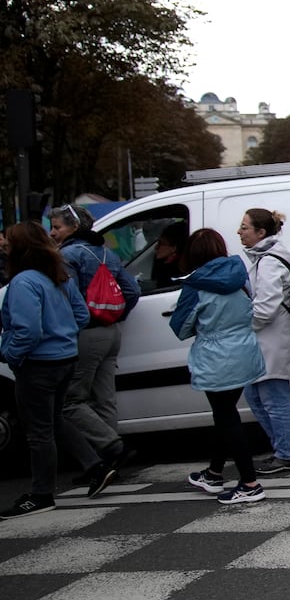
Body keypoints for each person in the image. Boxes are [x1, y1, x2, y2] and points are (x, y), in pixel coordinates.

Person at [0, 222, 113, 520]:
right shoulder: (58, 276)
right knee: (55, 420)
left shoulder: (24, 282)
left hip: (37, 365)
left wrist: (10, 354)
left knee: (38, 432)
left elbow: (27, 330)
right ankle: (96, 465)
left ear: (21, 247)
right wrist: (62, 335)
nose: (3, 244)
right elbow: (81, 314)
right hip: (65, 358)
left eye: (8, 240)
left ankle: (41, 494)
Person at [172, 229, 268, 505]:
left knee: (226, 417)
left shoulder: (194, 285)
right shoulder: (240, 275)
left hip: (216, 356)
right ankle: (214, 473)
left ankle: (250, 483)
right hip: (245, 351)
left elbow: (181, 327)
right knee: (225, 414)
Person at [50, 204, 141, 471]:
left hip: (87, 333)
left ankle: (112, 448)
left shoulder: (68, 254)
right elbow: (131, 291)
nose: (52, 232)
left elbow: (69, 298)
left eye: (57, 227)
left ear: (73, 228)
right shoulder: (106, 252)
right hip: (111, 333)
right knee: (105, 397)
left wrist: (79, 324)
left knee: (71, 400)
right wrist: (113, 315)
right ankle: (112, 459)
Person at [237, 208, 290, 475]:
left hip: (272, 341)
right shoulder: (264, 259)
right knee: (256, 395)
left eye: (245, 227)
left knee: (273, 399)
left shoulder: (269, 262)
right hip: (269, 341)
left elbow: (265, 308)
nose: (240, 232)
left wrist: (244, 325)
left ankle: (287, 453)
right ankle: (283, 449)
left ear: (261, 232)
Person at [151, 222, 187, 288]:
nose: (156, 247)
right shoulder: (162, 262)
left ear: (174, 248)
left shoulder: (178, 270)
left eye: (161, 243)